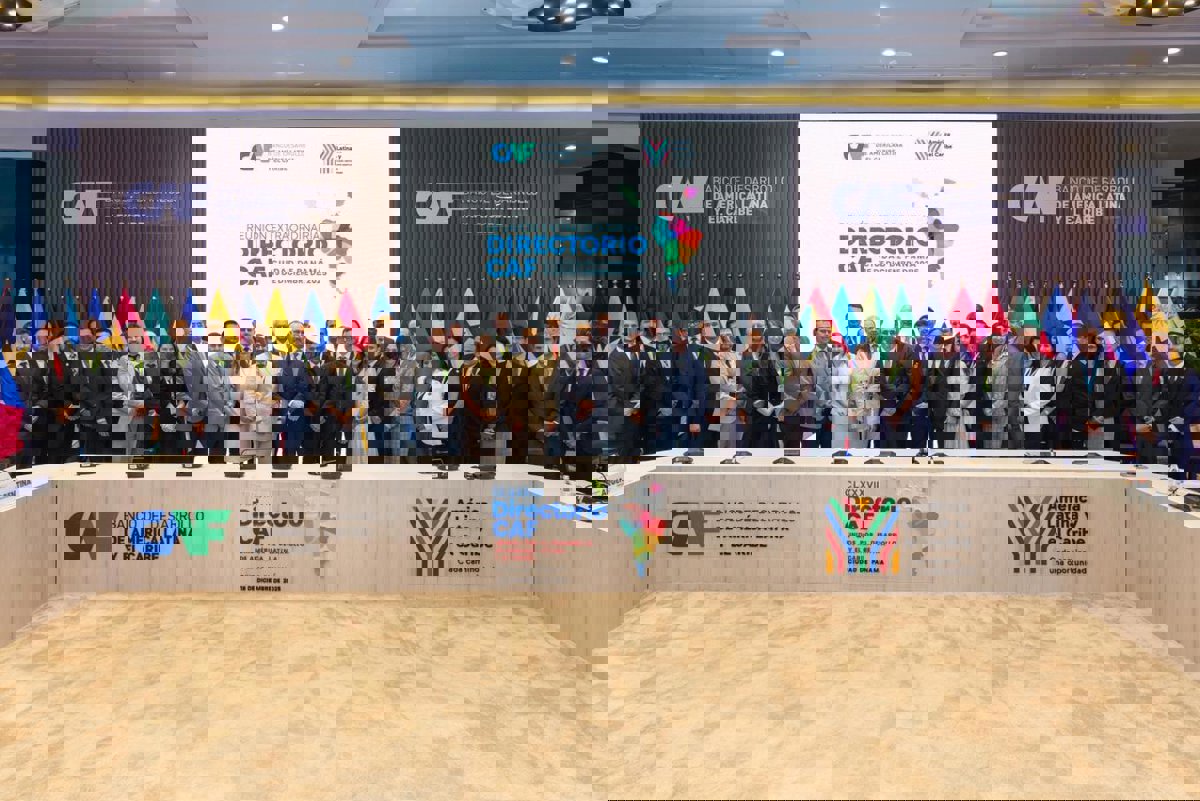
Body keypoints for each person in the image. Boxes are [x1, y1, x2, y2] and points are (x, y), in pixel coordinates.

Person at [17, 322, 78, 466]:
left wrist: (71, 407)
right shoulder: (27, 363)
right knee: (42, 463)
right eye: (40, 339)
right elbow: (33, 393)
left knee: (61, 459)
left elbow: (71, 387)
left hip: (64, 419)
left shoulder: (63, 361)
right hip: (40, 419)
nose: (43, 342)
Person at [1064, 327, 1124, 451]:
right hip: (1083, 420)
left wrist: (1098, 417)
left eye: (1109, 339)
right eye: (1101, 339)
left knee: (1102, 457)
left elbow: (1120, 397)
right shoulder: (1089, 363)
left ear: (1117, 342)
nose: (1105, 343)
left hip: (1104, 420)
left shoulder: (1122, 367)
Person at [69, 319, 114, 464]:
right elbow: (72, 387)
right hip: (82, 415)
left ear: (94, 337)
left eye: (87, 336)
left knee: (105, 458)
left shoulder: (104, 355)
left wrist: (100, 415)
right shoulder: (72, 357)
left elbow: (109, 387)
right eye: (81, 337)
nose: (84, 340)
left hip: (103, 414)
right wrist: (81, 409)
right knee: (88, 458)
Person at [663, 325, 706, 451]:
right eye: (685, 330)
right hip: (676, 415)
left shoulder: (703, 353)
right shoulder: (671, 352)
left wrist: (696, 418)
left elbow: (702, 387)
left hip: (698, 414)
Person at [461, 333, 502, 466]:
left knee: (479, 463)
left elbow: (491, 395)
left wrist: (490, 424)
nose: (478, 348)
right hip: (464, 424)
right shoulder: (467, 365)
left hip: (480, 424)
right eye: (476, 345)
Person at [1017, 328, 1060, 451]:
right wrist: (1021, 404)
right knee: (1028, 448)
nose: (1040, 349)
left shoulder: (1048, 369)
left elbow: (1046, 396)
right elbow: (1025, 389)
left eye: (1045, 346)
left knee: (1036, 449)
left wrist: (1028, 408)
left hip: (1038, 415)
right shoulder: (1032, 367)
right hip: (1027, 414)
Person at [608, 324, 646, 462]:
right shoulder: (615, 357)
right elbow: (619, 388)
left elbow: (645, 381)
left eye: (633, 327)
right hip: (622, 412)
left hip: (636, 411)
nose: (629, 330)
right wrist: (631, 406)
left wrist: (636, 403)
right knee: (624, 456)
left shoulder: (640, 354)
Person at [878, 334, 924, 448]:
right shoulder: (880, 353)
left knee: (898, 446)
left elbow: (914, 381)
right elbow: (878, 379)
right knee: (883, 445)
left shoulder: (908, 352)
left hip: (901, 407)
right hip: (883, 407)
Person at [926, 332, 968, 450]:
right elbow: (930, 383)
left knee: (952, 443)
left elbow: (960, 388)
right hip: (937, 407)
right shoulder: (934, 357)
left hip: (952, 407)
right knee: (941, 442)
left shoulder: (959, 362)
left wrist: (954, 407)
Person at [742, 324, 781, 448]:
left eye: (761, 338)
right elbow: (749, 387)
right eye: (756, 339)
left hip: (770, 411)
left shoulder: (766, 358)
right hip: (754, 413)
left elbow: (775, 383)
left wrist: (775, 403)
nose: (760, 343)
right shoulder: (744, 358)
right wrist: (762, 405)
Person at [779, 333, 817, 449]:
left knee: (808, 449)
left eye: (791, 346)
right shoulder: (782, 364)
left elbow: (807, 389)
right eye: (786, 346)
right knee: (790, 449)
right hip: (787, 414)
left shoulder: (807, 364)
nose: (787, 349)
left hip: (804, 415)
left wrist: (791, 407)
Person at [845, 342, 879, 449]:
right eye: (858, 355)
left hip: (869, 411)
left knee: (868, 439)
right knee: (856, 443)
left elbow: (875, 392)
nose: (860, 358)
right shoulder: (850, 370)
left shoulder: (874, 370)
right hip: (854, 411)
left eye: (863, 355)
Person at [713, 330, 740, 448]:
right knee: (723, 444)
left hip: (739, 406)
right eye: (725, 338)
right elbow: (714, 385)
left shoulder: (738, 356)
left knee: (736, 444)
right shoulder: (713, 358)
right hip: (723, 406)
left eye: (730, 337)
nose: (728, 341)